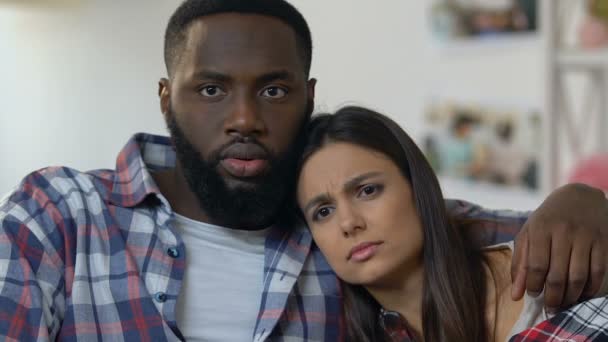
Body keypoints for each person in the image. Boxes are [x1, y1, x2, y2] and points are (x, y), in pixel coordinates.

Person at [1, 0, 608, 340]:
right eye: (211, 90)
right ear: (166, 97)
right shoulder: (63, 215)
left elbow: (488, 234)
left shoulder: (336, 229)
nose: (244, 118)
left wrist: (583, 197)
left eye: (273, 91)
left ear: (308, 96)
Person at [296, 106, 608, 341]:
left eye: (367, 190)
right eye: (323, 211)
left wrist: (582, 196)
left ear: (418, 188)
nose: (349, 223)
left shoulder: (553, 266)